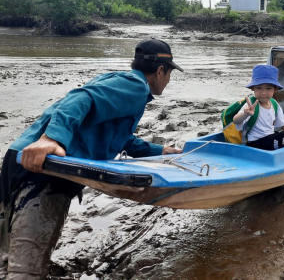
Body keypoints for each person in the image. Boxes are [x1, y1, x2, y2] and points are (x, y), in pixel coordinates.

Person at [0, 38, 183, 279]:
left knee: (6, 254)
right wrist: (53, 138)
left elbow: (120, 138)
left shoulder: (119, 81)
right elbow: (80, 97)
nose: (168, 81)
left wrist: (160, 151)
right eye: (170, 74)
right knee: (27, 269)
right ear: (161, 70)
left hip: (20, 156)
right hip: (49, 167)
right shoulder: (136, 87)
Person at [233, 64, 284, 151]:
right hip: (255, 143)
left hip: (269, 137)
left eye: (268, 88)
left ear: (275, 89)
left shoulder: (274, 104)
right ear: (253, 88)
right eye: (259, 88)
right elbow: (235, 120)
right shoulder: (251, 104)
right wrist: (245, 114)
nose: (263, 93)